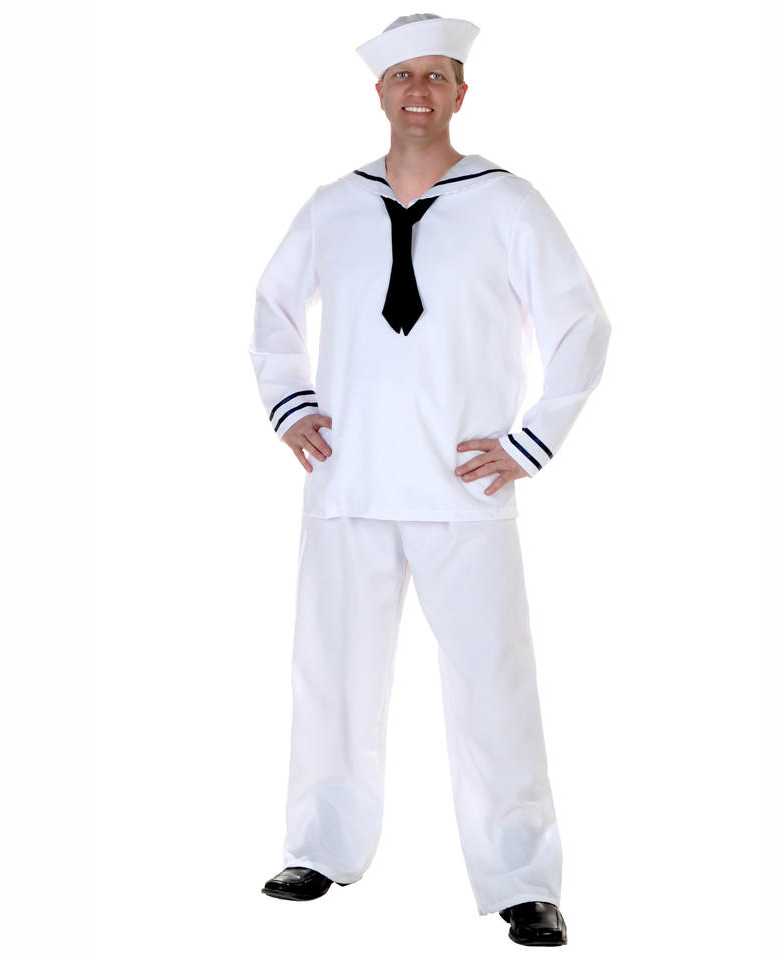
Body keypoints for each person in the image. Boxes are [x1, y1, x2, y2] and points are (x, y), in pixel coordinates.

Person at [249, 13, 611, 947]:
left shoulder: (508, 202)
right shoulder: (333, 205)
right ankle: (319, 846)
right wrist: (292, 404)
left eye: (436, 76)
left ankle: (522, 877)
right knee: (332, 676)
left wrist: (529, 440)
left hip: (464, 486)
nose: (419, 91)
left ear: (460, 93)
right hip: (348, 480)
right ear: (379, 91)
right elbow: (274, 307)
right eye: (403, 75)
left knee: (495, 686)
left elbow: (581, 323)